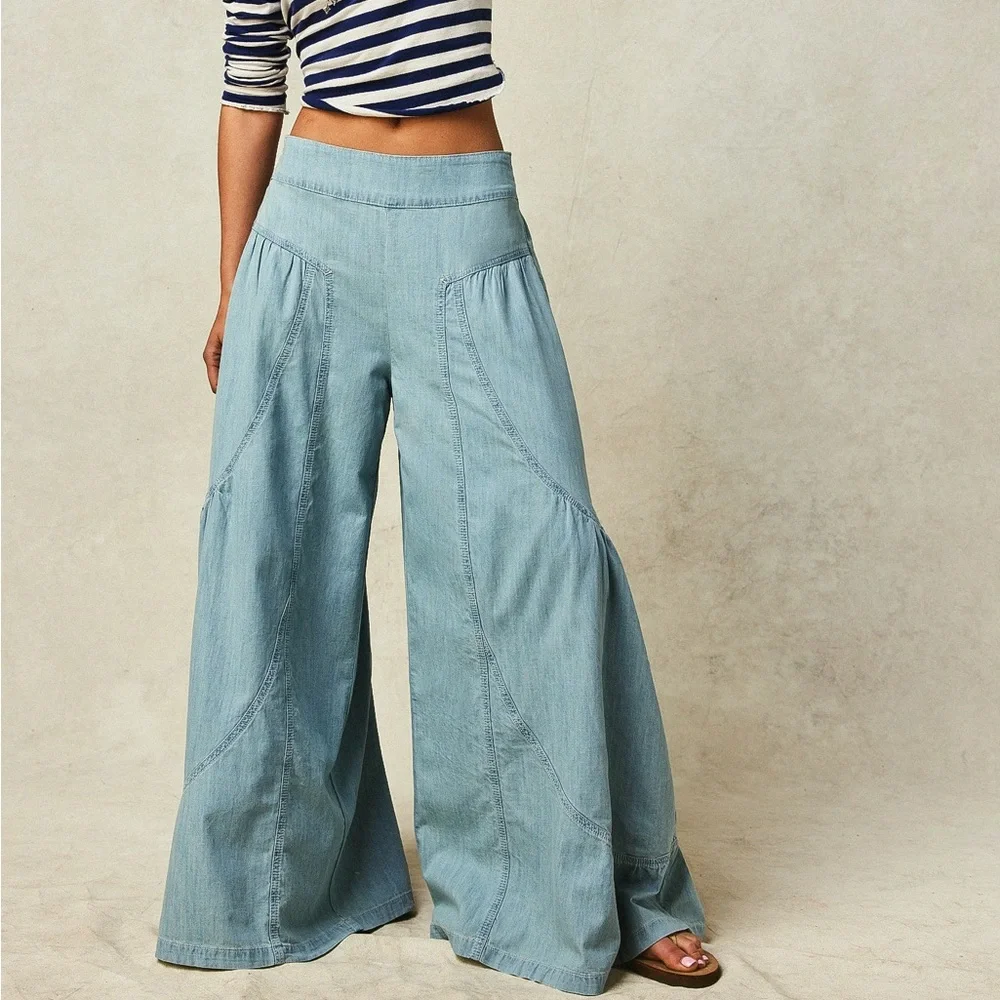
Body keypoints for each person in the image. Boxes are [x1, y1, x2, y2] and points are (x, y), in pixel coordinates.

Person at [154, 1, 721, 993]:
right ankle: (267, 885)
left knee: (538, 547)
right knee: (271, 550)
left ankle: (597, 890)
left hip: (464, 215)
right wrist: (234, 284)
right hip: (308, 222)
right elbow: (251, 81)